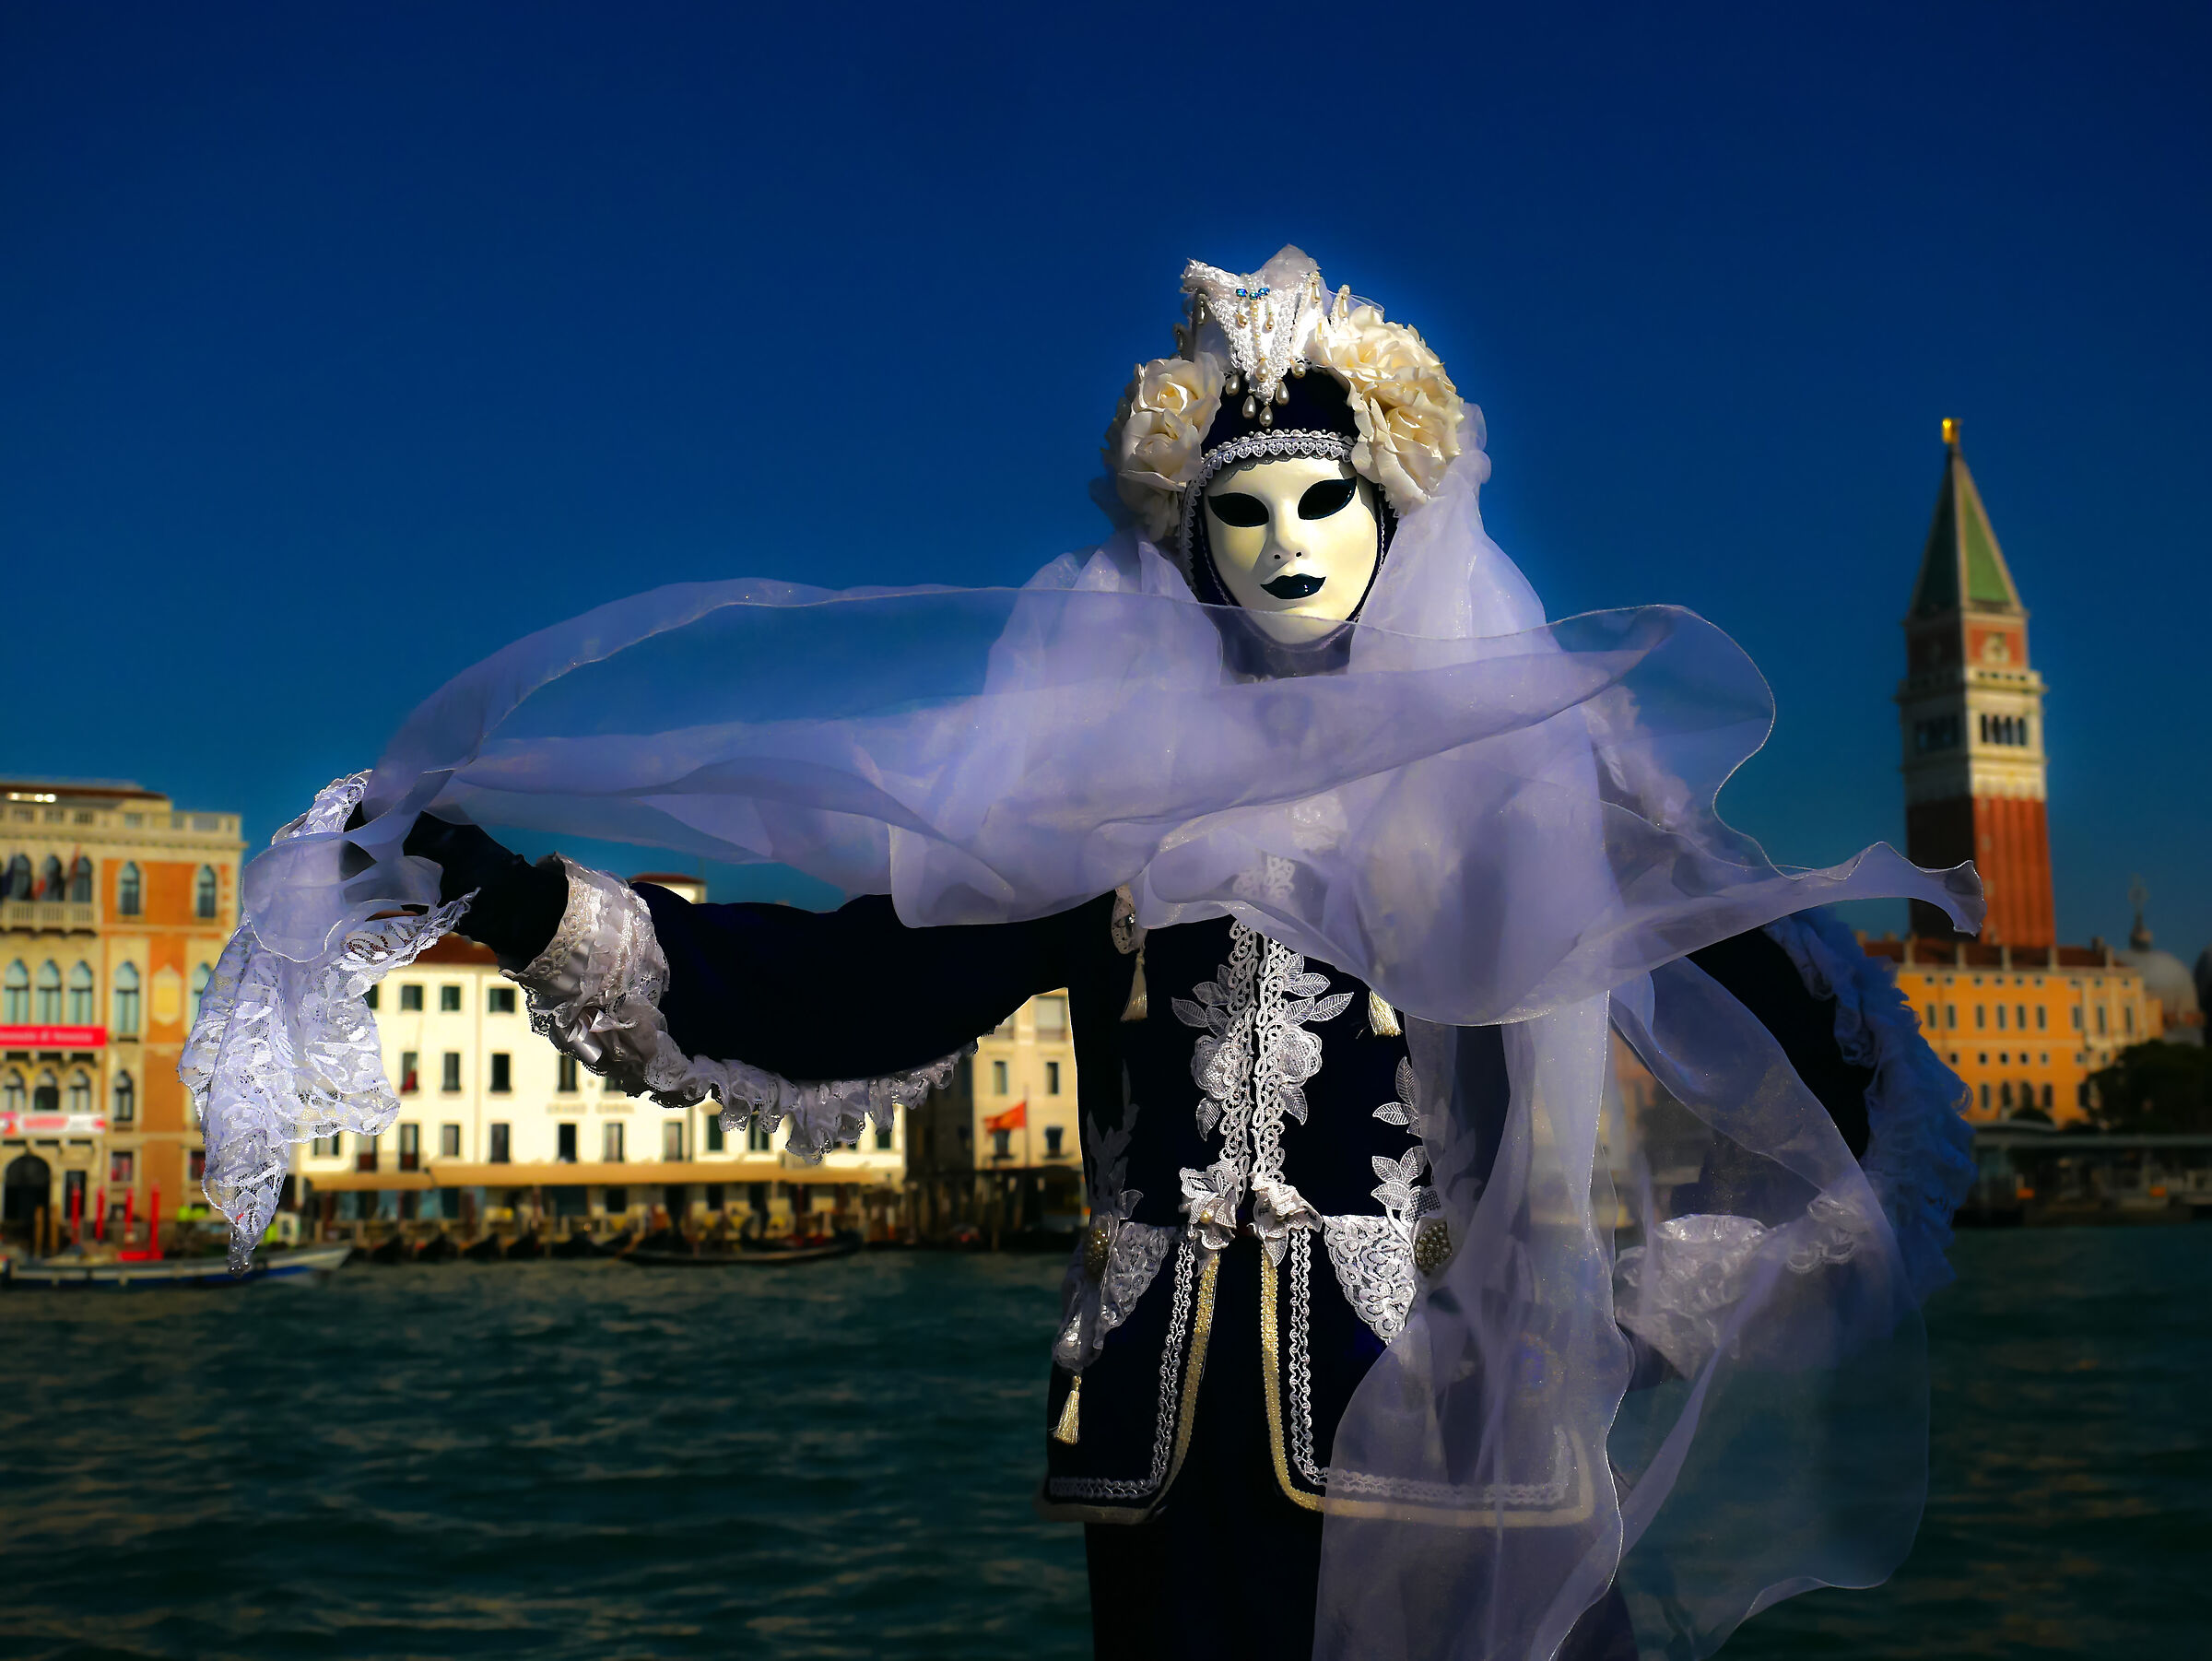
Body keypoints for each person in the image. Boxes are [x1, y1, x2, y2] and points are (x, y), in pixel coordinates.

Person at [186, 247, 1980, 1660]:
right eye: (1245, 511)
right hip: (1173, 1486)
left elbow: (1854, 1084)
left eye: (1324, 505)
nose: (1285, 546)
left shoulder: (1516, 801)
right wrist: (513, 900)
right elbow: (830, 1003)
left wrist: (1619, 1325)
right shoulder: (1108, 827)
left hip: (1458, 1471)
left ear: (1394, 525)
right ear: (1187, 544)